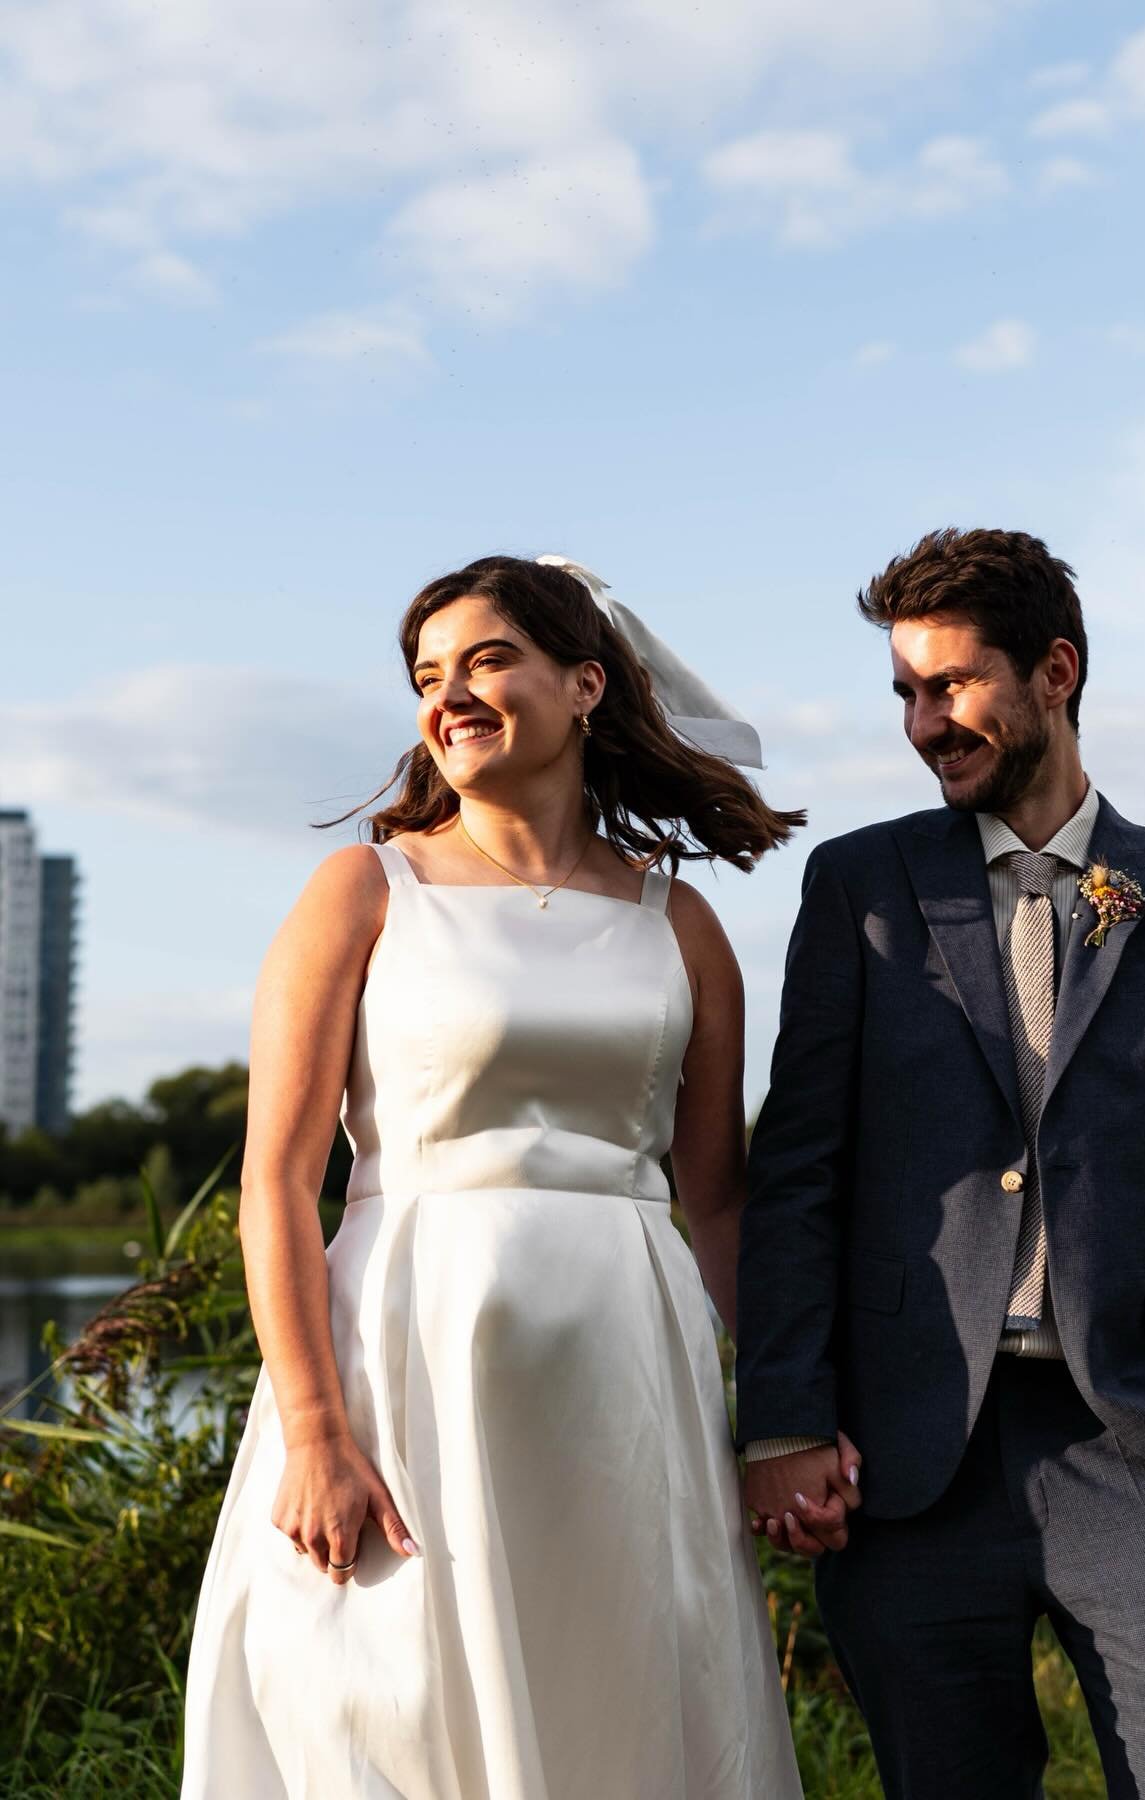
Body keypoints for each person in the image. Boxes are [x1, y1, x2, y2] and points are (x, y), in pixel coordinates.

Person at [182, 555, 806, 1799]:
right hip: (403, 1371)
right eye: (426, 676)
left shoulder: (680, 926)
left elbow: (719, 1200)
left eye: (483, 661)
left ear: (585, 687)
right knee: (380, 1709)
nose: (448, 696)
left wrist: (781, 1422)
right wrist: (314, 1428)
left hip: (629, 1384)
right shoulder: (365, 891)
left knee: (619, 1705)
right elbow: (275, 1183)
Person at [737, 528, 1145, 1798]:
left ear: (1055, 671)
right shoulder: (860, 889)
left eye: (952, 685)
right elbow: (800, 1172)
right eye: (905, 692)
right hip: (909, 1457)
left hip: (1142, 1449)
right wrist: (781, 1415)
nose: (924, 722)